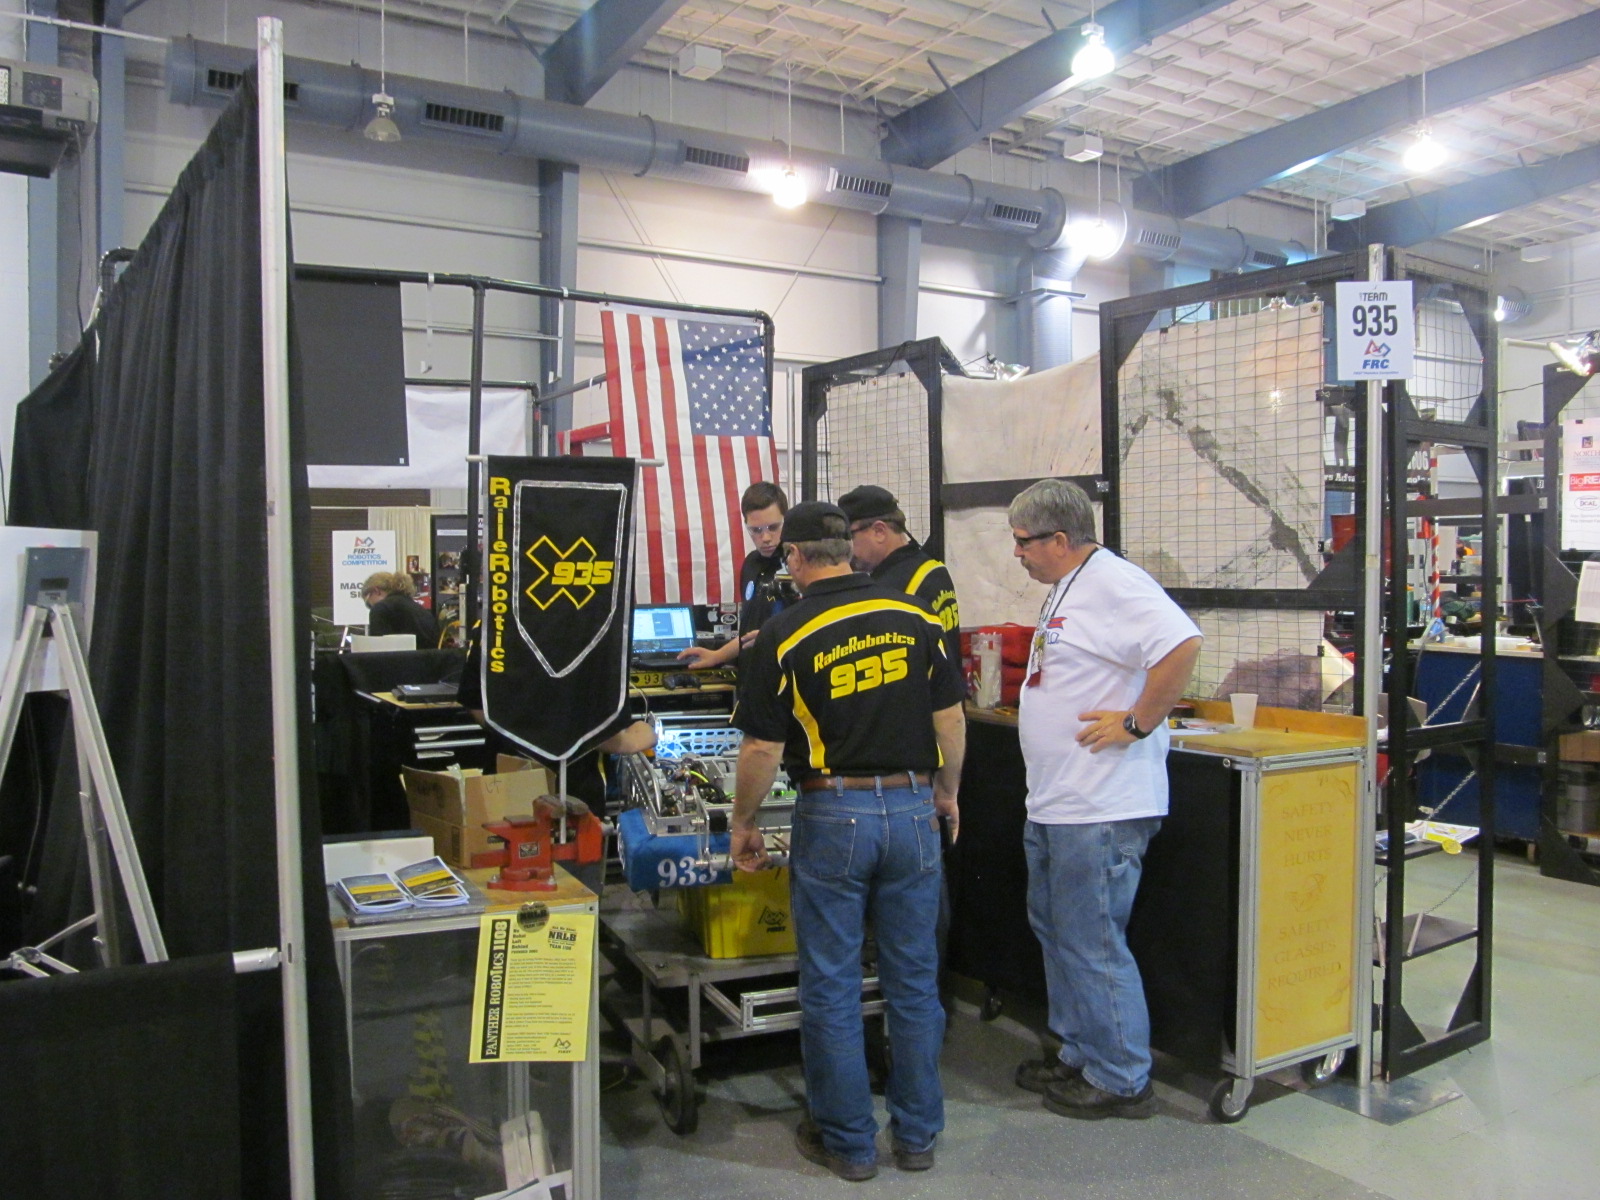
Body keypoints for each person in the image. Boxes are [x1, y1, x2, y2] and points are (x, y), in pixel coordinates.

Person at [728, 501, 966, 1181]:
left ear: (797, 557)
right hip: (914, 808)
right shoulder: (915, 617)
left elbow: (760, 748)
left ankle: (850, 1143)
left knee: (832, 984)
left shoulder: (785, 632)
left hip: (835, 813)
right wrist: (946, 793)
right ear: (849, 549)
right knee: (913, 982)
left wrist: (743, 823)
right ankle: (917, 1137)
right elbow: (950, 720)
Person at [1006, 478, 1202, 1120]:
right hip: (1058, 800)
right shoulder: (1070, 584)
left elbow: (1182, 643)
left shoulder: (1116, 582)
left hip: (1101, 806)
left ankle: (1121, 1076)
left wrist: (1138, 722)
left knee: (1091, 939)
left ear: (1060, 538)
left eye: (1024, 542)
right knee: (1058, 930)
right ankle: (1079, 1050)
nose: (1018, 554)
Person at [678, 481, 790, 681]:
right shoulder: (751, 564)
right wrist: (717, 655)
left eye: (773, 527)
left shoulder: (797, 565)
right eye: (756, 530)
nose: (765, 537)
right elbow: (749, 634)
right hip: (750, 680)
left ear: (786, 520)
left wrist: (775, 638)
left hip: (784, 679)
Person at [837, 484, 961, 663]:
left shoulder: (889, 592)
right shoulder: (934, 569)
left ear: (879, 531)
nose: (846, 547)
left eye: (850, 536)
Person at [362, 570, 441, 647]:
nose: (371, 607)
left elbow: (377, 648)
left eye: (369, 603)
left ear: (376, 591)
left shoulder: (381, 608)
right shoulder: (420, 610)